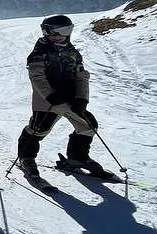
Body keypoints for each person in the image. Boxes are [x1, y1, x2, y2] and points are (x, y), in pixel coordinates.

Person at [16, 14, 106, 176]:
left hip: (70, 99)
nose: (58, 37)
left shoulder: (73, 53)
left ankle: (78, 157)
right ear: (46, 33)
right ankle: (26, 157)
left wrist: (82, 98)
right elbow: (37, 77)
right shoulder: (39, 52)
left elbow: (81, 76)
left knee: (88, 126)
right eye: (53, 33)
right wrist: (50, 95)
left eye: (63, 31)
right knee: (39, 129)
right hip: (48, 102)